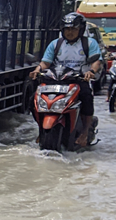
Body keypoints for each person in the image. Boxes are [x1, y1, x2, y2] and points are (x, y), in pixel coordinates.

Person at [30, 12, 102, 147]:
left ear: (80, 29)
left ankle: (84, 133)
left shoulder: (89, 43)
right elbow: (46, 62)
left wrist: (91, 72)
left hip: (78, 80)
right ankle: (42, 131)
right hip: (56, 79)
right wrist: (37, 70)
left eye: (74, 29)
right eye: (67, 29)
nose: (70, 32)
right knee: (32, 99)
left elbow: (96, 61)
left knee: (87, 97)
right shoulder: (55, 44)